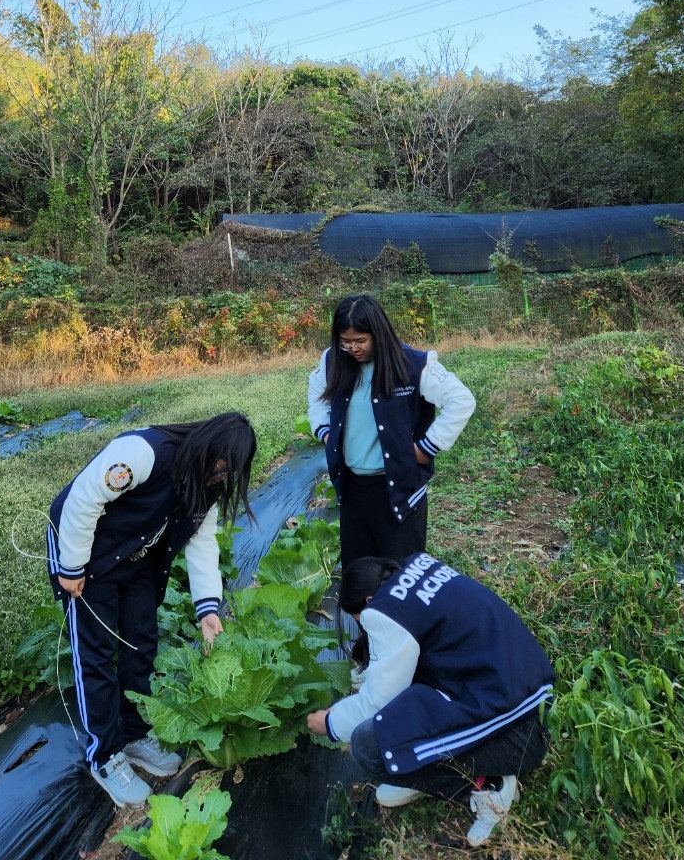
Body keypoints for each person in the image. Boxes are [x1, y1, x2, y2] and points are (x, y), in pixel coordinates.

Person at [47, 411, 256, 808]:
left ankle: (135, 732)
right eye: (221, 466)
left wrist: (208, 609)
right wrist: (71, 565)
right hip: (89, 555)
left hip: (139, 558)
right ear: (206, 446)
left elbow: (202, 543)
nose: (222, 478)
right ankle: (104, 756)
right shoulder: (143, 453)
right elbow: (82, 500)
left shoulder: (209, 484)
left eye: (230, 473)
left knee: (141, 643)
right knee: (96, 655)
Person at [307, 553, 554, 848]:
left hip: (517, 735)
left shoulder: (383, 613)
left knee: (369, 744)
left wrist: (329, 722)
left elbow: (376, 704)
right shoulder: (415, 570)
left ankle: (489, 786)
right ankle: (421, 773)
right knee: (408, 702)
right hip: (533, 698)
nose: (364, 629)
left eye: (360, 621)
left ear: (369, 601)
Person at [308, 293, 476, 570]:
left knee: (401, 575)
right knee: (360, 575)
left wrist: (426, 448)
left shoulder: (412, 365)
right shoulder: (333, 361)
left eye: (361, 340)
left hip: (398, 491)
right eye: (345, 341)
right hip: (353, 491)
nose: (353, 348)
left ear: (379, 333)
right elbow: (316, 395)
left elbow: (461, 401)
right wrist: (326, 433)